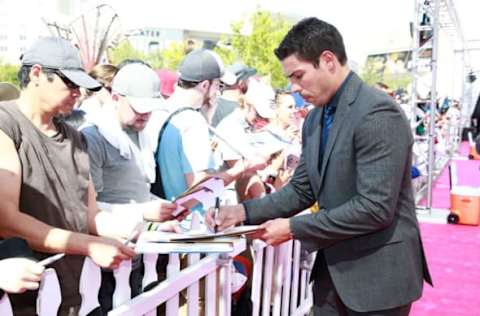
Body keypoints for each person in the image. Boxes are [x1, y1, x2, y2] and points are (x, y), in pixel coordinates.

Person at [207, 18, 432, 316]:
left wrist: (292, 228)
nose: (295, 89)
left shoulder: (377, 112)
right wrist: (243, 212)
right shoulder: (314, 120)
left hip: (379, 281)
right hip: (331, 278)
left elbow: (375, 207)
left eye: (299, 76)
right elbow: (302, 189)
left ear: (327, 60)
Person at [0, 36, 136, 316]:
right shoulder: (6, 125)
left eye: (80, 86)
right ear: (37, 74)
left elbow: (88, 213)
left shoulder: (76, 139)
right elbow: (7, 221)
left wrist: (134, 229)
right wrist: (88, 244)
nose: (78, 93)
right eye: (70, 83)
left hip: (79, 292)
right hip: (26, 298)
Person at [81, 62, 183, 312]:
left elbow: (136, 191)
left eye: (150, 109)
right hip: (105, 259)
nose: (145, 115)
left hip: (136, 253)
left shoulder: (140, 135)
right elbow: (86, 208)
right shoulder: (93, 137)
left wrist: (157, 208)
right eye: (139, 108)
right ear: (116, 98)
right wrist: (144, 212)